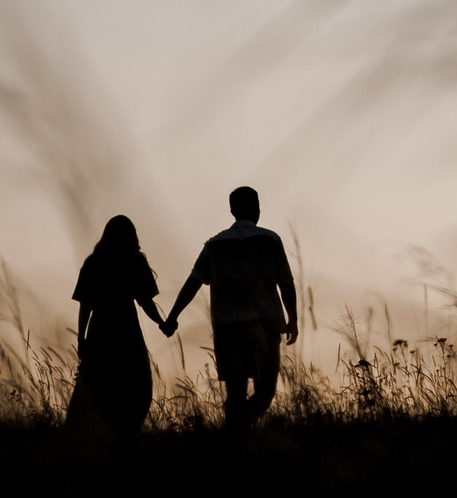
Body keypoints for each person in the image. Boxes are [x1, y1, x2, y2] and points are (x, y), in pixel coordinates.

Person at [163, 186, 296, 428]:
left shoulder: (214, 245)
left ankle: (234, 433)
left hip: (228, 329)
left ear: (232, 210)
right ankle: (239, 428)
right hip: (264, 327)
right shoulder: (270, 240)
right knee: (265, 390)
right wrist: (293, 319)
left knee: (235, 393)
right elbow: (286, 283)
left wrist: (172, 317)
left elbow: (192, 283)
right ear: (256, 207)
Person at [68, 214, 165, 435]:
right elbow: (145, 301)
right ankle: (127, 431)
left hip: (99, 330)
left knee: (98, 384)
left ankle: (97, 432)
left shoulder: (93, 262)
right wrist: (163, 323)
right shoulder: (135, 261)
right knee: (136, 382)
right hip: (127, 328)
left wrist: (81, 338)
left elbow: (86, 305)